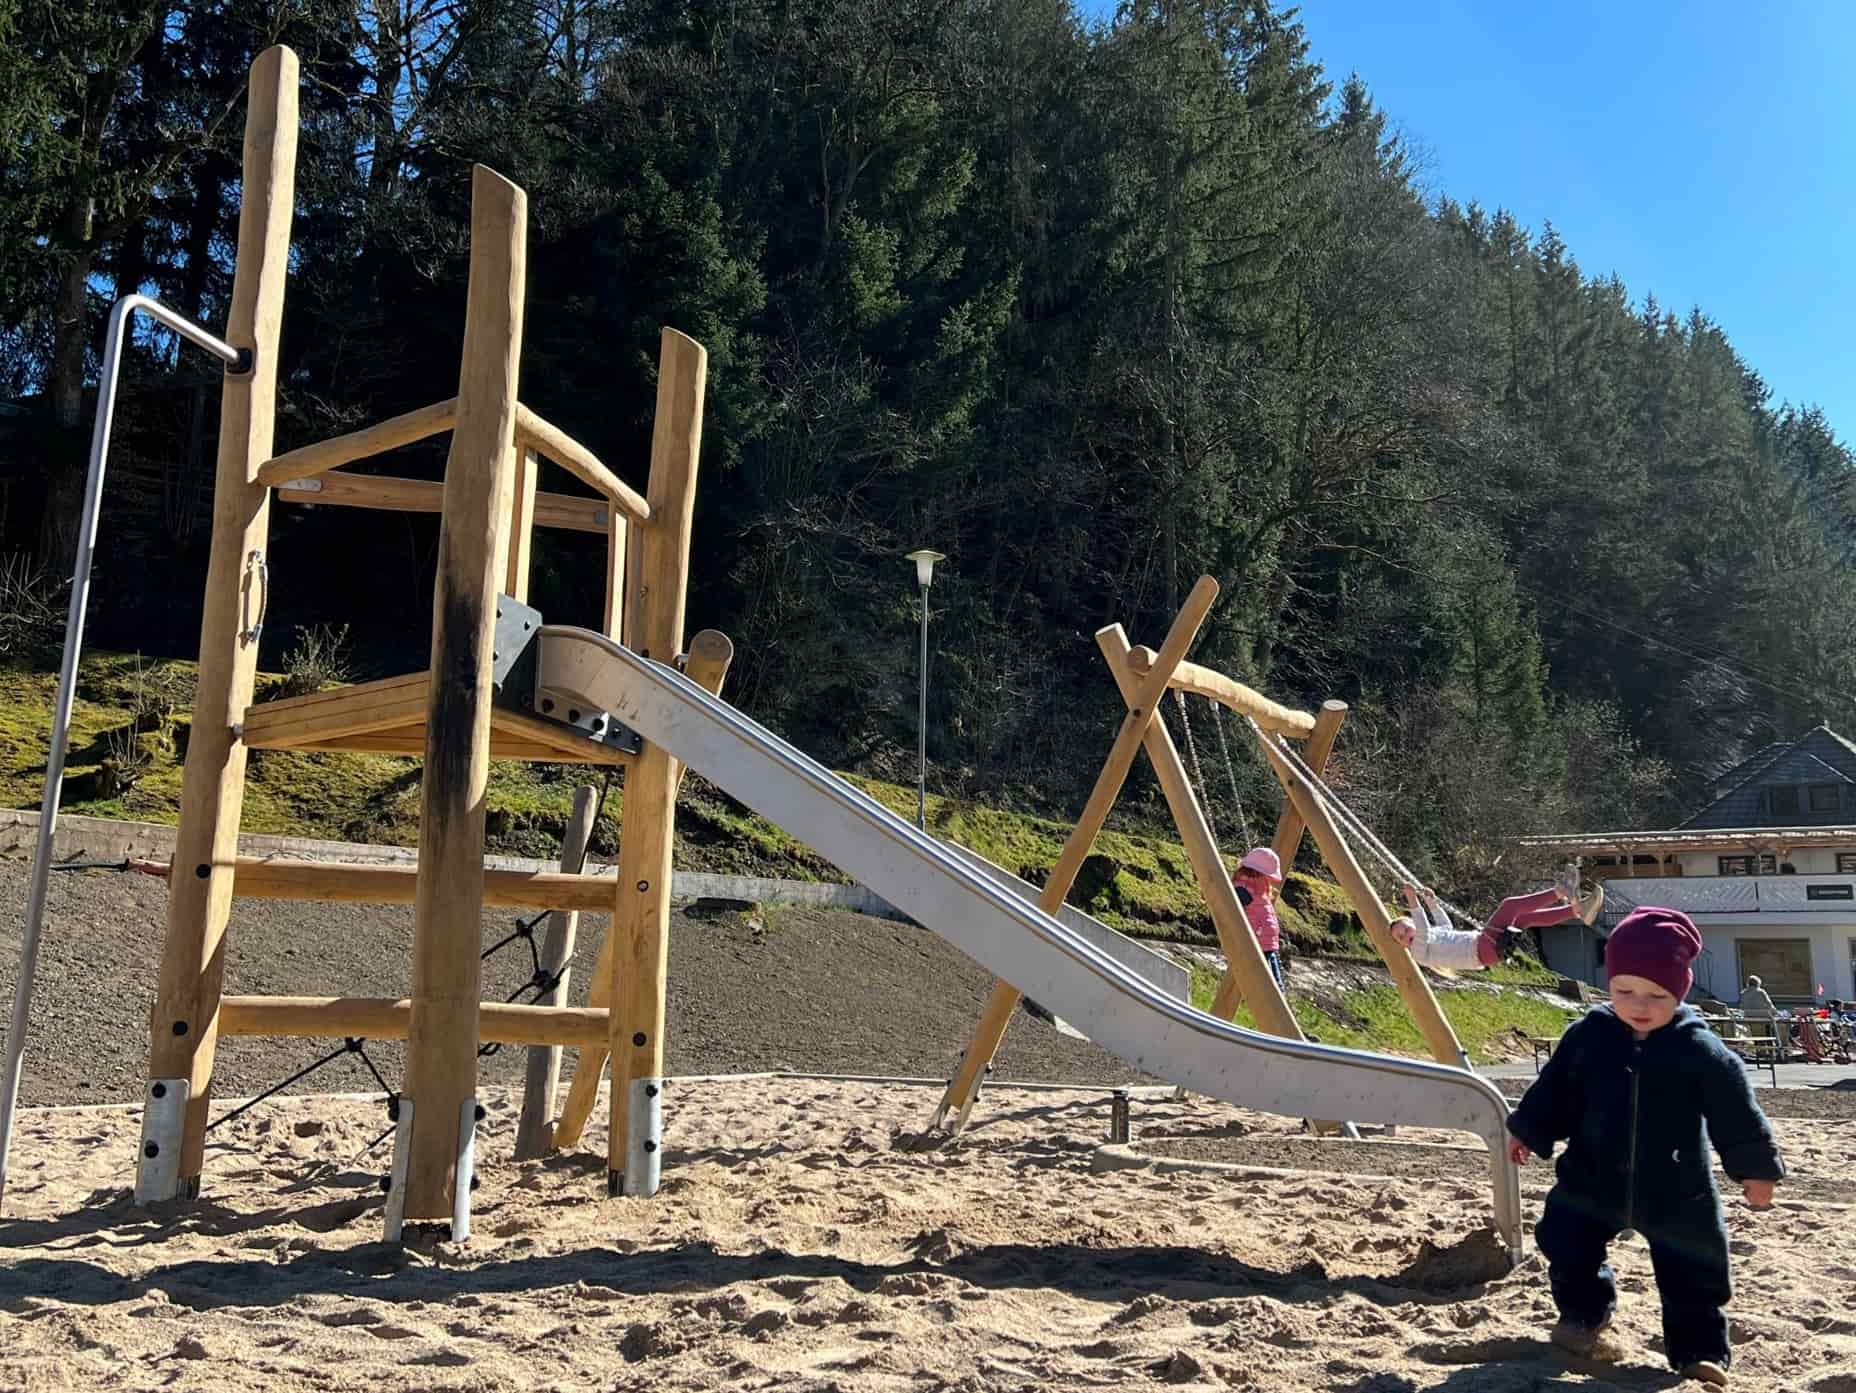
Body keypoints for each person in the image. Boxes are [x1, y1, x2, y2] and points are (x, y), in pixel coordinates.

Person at [1506, 906, 1784, 1385]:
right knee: (1565, 1241)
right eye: (1623, 991)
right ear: (1608, 985)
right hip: (1593, 1173)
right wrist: (1528, 1130)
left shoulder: (1699, 1050)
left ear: (1681, 989)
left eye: (1657, 994)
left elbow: (1735, 1113)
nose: (1639, 1004)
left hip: (1677, 1187)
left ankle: (1699, 1351)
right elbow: (1556, 1090)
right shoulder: (1587, 1037)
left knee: (1694, 1267)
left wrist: (1755, 1170)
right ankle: (1583, 1318)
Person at [1388, 871, 1604, 970]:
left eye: (1405, 929)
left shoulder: (1430, 937)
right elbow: (1423, 930)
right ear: (1402, 946)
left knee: (1524, 919)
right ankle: (1561, 890)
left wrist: (1430, 901)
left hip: (1486, 949)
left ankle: (1577, 910)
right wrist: (1414, 903)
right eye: (1401, 938)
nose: (1406, 936)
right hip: (1481, 949)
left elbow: (1445, 926)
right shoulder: (1417, 953)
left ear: (1411, 924)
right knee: (1510, 905)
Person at [1231, 846, 1286, 989]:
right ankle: (1276, 988)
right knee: (1268, 971)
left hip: (1262, 938)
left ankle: (1277, 988)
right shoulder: (1250, 888)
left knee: (1269, 973)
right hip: (1262, 937)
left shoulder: (1251, 888)